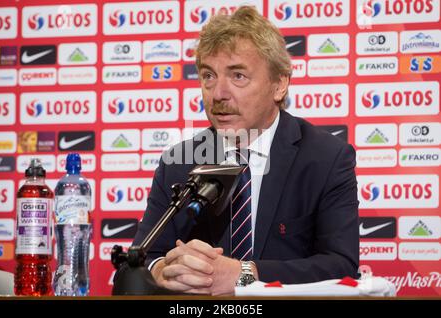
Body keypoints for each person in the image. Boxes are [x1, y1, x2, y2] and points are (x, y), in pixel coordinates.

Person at [131, 6, 359, 296]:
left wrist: (244, 275)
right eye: (208, 76)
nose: (218, 94)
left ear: (279, 85)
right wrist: (164, 270)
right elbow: (143, 257)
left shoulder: (326, 158)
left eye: (238, 76)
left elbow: (341, 265)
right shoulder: (178, 163)